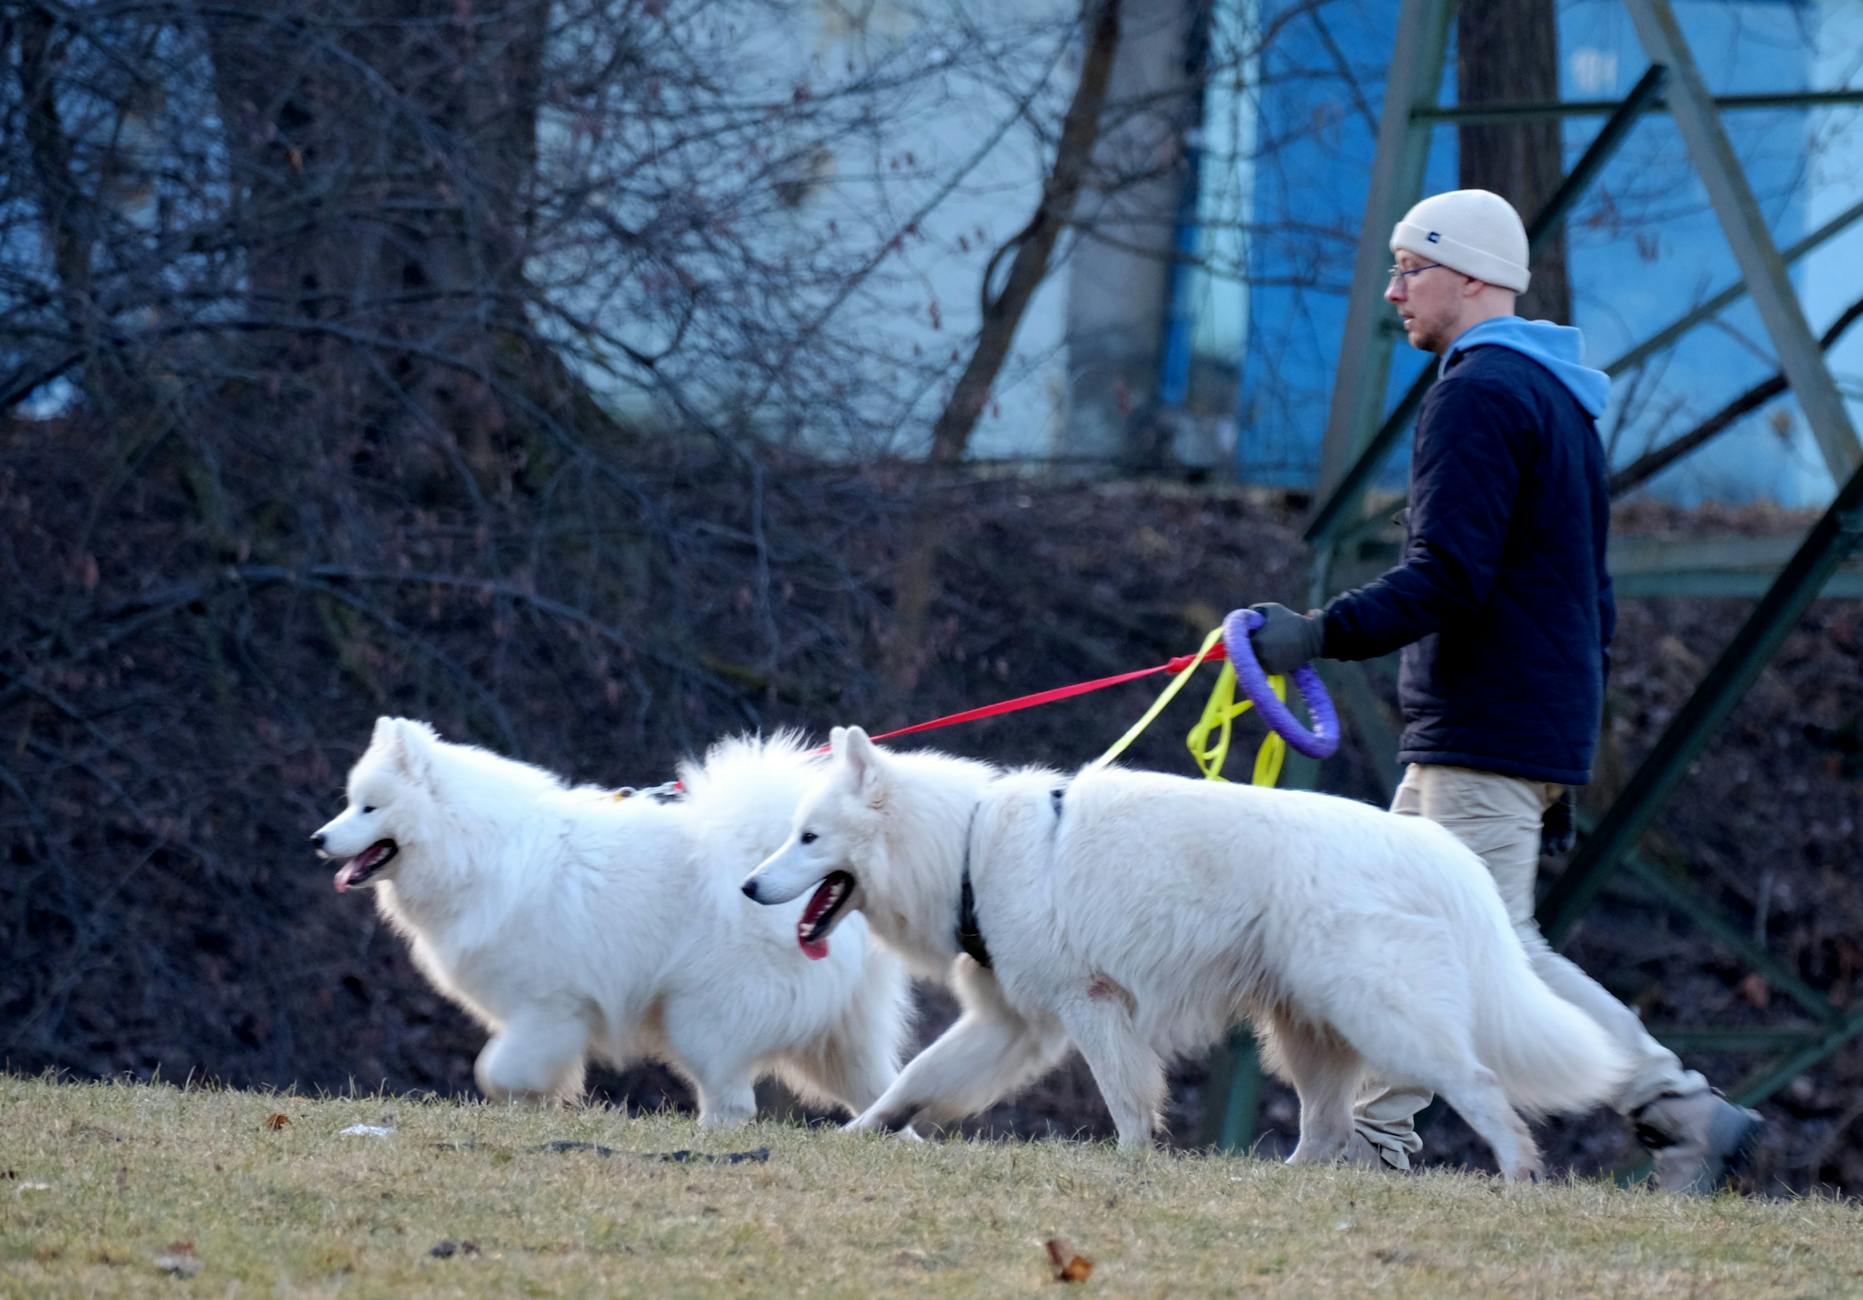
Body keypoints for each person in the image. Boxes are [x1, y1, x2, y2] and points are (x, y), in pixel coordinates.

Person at [1248, 188, 1762, 1194]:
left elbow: (1449, 577)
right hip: (1507, 723)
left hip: (1486, 725)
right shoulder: (1555, 396)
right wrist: (1558, 752)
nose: (1393, 290)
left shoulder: (1478, 393)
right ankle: (1367, 1140)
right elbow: (1589, 596)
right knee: (1393, 926)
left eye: (1411, 268)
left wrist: (1316, 633)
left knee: (1497, 953)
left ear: (1472, 277)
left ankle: (1681, 1110)